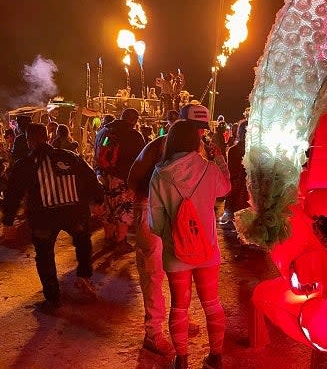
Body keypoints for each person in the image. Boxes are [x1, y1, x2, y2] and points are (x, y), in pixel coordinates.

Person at [127, 102, 212, 358]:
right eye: (195, 128)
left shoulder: (196, 149)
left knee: (180, 269)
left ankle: (178, 319)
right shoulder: (159, 146)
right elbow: (134, 178)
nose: (200, 134)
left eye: (203, 129)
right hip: (150, 213)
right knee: (153, 275)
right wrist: (151, 200)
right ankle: (153, 333)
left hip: (177, 217)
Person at [149, 119, 230, 369]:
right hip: (207, 249)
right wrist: (220, 160)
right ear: (195, 141)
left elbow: (155, 220)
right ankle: (215, 357)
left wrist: (171, 237)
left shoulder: (160, 173)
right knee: (212, 303)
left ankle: (182, 360)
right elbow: (225, 188)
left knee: (180, 306)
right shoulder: (208, 168)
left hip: (176, 254)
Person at [1, 123, 104, 311]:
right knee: (82, 242)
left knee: (45, 255)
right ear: (48, 136)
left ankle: (53, 298)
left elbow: (13, 193)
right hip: (74, 213)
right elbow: (90, 177)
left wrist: (8, 221)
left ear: (28, 141)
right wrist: (98, 201)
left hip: (44, 217)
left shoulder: (25, 164)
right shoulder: (70, 156)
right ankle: (84, 280)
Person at [94, 108, 145, 249]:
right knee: (124, 210)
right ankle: (121, 242)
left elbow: (97, 154)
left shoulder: (103, 132)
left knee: (108, 208)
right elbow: (140, 159)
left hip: (103, 176)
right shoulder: (134, 135)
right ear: (134, 120)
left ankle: (108, 238)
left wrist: (99, 172)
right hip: (123, 179)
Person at [219, 120, 249, 225]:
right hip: (244, 187)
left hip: (236, 186)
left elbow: (230, 171)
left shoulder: (233, 150)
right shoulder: (254, 152)